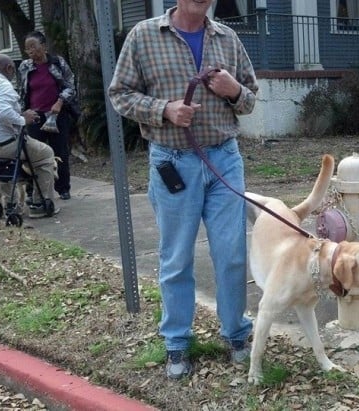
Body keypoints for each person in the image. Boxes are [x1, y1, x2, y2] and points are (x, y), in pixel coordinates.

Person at [108, 0, 258, 380]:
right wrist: (164, 109)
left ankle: (236, 334)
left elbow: (250, 100)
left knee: (233, 253)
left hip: (224, 158)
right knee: (176, 257)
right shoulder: (144, 35)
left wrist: (233, 88)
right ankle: (177, 343)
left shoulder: (227, 37)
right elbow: (120, 94)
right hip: (173, 161)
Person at [0, 53, 58, 218]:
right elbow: (1, 113)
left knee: (1, 165)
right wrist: (23, 119)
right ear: (8, 68)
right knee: (45, 154)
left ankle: (9, 204)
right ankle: (40, 203)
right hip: (5, 145)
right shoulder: (2, 84)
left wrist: (19, 113)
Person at [18, 31, 77, 201]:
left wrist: (59, 103)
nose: (30, 51)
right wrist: (23, 113)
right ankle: (33, 190)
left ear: (43, 46)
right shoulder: (25, 66)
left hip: (57, 115)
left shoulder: (58, 63)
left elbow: (70, 86)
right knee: (32, 154)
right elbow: (23, 92)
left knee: (60, 153)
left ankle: (63, 188)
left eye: (33, 47)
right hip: (34, 117)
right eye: (27, 48)